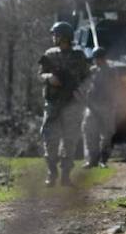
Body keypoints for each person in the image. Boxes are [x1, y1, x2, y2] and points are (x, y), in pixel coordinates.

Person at [38, 21, 89, 187]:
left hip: (72, 104)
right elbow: (40, 74)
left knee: (70, 140)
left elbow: (87, 78)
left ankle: (66, 175)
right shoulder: (49, 54)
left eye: (55, 35)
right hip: (52, 103)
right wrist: (49, 78)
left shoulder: (78, 56)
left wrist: (80, 91)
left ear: (63, 37)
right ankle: (52, 173)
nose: (53, 37)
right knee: (50, 140)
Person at [81, 47, 116, 169]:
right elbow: (85, 86)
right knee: (89, 133)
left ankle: (103, 159)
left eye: (99, 58)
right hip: (91, 105)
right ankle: (91, 160)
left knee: (106, 135)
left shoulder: (111, 71)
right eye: (95, 59)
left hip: (106, 105)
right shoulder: (92, 71)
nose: (96, 61)